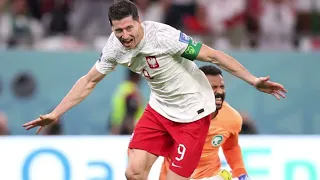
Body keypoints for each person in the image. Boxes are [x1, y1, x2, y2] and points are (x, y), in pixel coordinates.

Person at [22, 1, 287, 180]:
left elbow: (214, 56)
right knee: (133, 173)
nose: (124, 35)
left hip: (193, 114)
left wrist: (253, 80)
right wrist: (56, 113)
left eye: (129, 27)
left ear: (140, 22)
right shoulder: (114, 47)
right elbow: (89, 81)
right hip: (159, 109)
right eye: (118, 30)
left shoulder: (164, 37)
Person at [159, 65, 249, 180]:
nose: (220, 92)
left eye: (222, 87)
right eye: (214, 87)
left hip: (211, 176)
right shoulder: (175, 114)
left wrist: (240, 172)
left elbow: (231, 147)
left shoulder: (231, 118)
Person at [109, 69, 144, 135]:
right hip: (128, 127)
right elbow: (134, 108)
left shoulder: (121, 88)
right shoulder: (132, 91)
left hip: (116, 124)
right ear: (137, 77)